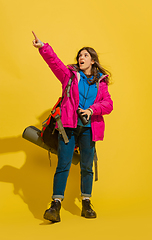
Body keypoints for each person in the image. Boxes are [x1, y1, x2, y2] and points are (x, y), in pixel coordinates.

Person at [32, 31, 113, 222]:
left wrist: (92, 110)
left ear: (93, 60)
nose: (81, 57)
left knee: (87, 166)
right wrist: (43, 47)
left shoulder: (101, 82)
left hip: (89, 128)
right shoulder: (69, 76)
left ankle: (86, 202)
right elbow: (55, 62)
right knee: (63, 165)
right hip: (67, 126)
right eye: (79, 55)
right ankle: (55, 205)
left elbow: (108, 104)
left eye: (85, 55)